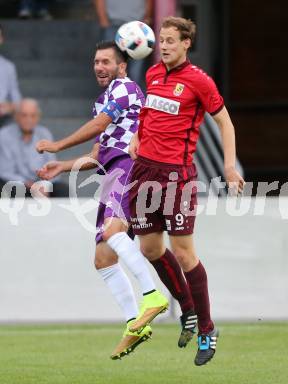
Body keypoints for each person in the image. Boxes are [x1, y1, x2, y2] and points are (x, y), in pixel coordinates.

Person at [36, 41, 196, 360]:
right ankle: (134, 324)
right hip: (111, 169)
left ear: (122, 66)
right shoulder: (104, 99)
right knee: (103, 259)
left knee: (112, 231)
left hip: (128, 166)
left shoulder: (124, 88)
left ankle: (152, 296)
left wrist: (58, 145)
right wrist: (63, 167)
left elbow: (99, 127)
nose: (99, 66)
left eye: (106, 61)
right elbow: (97, 152)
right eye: (96, 61)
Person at [128, 16, 245, 366]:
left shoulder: (198, 81)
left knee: (184, 254)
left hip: (175, 177)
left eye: (170, 40)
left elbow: (225, 122)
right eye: (161, 40)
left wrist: (228, 166)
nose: (163, 45)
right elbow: (148, 114)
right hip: (143, 171)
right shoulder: (152, 75)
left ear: (186, 43)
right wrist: (137, 135)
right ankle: (188, 310)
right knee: (150, 248)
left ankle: (207, 329)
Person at [0, 98, 68, 197]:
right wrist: (29, 184)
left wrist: (43, 185)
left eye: (33, 115)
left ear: (38, 117)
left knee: (63, 190)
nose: (28, 120)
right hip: (17, 183)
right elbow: (5, 171)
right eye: (24, 115)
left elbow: (52, 166)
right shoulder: (4, 134)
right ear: (16, 117)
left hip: (42, 182)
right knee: (13, 189)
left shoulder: (44, 134)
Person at [93, 0, 153, 91]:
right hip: (113, 26)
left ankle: (133, 101)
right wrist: (103, 21)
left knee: (135, 71)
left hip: (136, 29)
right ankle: (111, 100)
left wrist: (147, 18)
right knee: (110, 68)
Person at [0, 24, 22, 129]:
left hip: (3, 117)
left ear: (1, 39)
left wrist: (11, 107)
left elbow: (16, 98)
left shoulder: (8, 67)